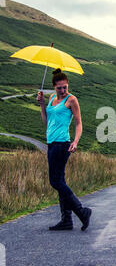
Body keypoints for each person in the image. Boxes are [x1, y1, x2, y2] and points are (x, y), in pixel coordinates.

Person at [37, 68, 92, 231]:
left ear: (67, 86)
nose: (62, 90)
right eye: (59, 87)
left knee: (55, 181)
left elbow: (79, 123)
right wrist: (41, 104)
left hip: (63, 143)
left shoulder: (71, 100)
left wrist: (75, 141)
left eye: (64, 87)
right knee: (60, 180)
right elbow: (47, 122)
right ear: (54, 87)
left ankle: (82, 212)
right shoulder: (52, 98)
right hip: (51, 142)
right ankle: (66, 220)